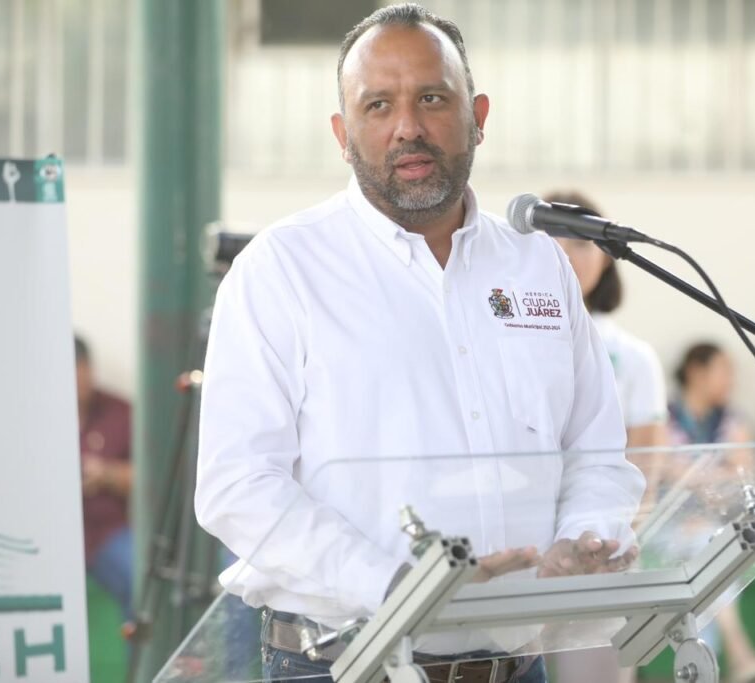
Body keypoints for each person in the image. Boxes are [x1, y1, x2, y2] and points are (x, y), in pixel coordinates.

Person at [194, 5, 644, 683]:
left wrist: (581, 540)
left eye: (432, 98)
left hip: (516, 664)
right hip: (345, 662)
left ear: (478, 116)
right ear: (343, 134)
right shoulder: (281, 270)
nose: (407, 126)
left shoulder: (536, 264)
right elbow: (238, 486)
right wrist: (403, 587)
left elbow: (597, 451)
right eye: (378, 105)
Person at [547, 191, 665, 683]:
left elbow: (645, 470)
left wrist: (597, 544)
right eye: (551, 240)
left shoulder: (632, 357)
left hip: (597, 554)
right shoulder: (498, 345)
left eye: (581, 243)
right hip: (517, 555)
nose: (566, 255)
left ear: (606, 258)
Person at [666, 343, 755, 683]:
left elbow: (743, 478)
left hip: (712, 528)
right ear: (696, 372)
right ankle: (737, 648)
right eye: (724, 370)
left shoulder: (732, 420)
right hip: (665, 532)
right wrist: (714, 475)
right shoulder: (663, 418)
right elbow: (665, 475)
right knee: (710, 550)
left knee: (705, 556)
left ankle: (705, 669)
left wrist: (696, 478)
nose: (731, 380)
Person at [76, 336, 134, 622]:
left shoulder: (119, 412)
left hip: (107, 533)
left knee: (139, 574)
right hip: (51, 536)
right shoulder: (32, 416)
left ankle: (143, 652)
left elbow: (153, 479)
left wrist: (107, 474)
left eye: (82, 370)